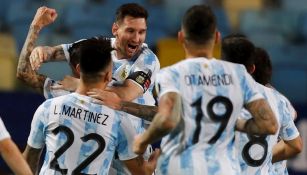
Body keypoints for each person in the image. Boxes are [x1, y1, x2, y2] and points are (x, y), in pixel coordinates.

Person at [133, 5, 278, 175]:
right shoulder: (239, 74)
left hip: (179, 167)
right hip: (223, 169)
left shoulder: (171, 74)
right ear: (217, 37)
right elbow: (269, 124)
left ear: (181, 37)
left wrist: (142, 140)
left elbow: (167, 119)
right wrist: (233, 123)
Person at [17, 4, 160, 174]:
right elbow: (49, 53)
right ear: (115, 29)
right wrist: (40, 48)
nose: (136, 38)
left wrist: (79, 85)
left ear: (78, 70)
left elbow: (125, 94)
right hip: (123, 159)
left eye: (141, 32)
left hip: (127, 160)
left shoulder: (147, 60)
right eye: (130, 31)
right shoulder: (96, 48)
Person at [220, 36, 302, 175]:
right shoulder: (277, 99)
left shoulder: (212, 96)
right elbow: (296, 144)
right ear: (251, 68)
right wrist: (262, 157)